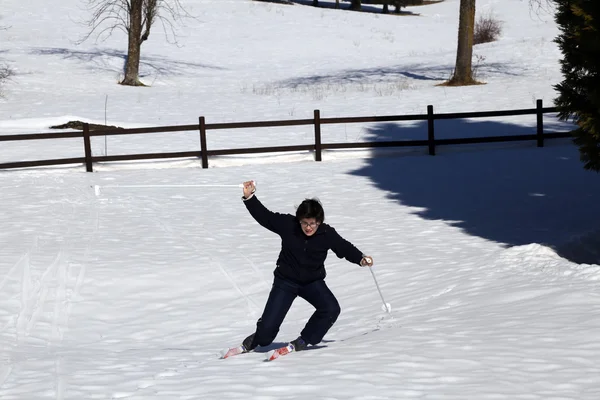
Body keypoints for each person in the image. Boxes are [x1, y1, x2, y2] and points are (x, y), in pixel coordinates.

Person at [238, 180, 374, 353]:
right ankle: (258, 336)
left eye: (313, 223)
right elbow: (265, 217)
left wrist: (360, 258)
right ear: (299, 220)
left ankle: (305, 339)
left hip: (312, 283)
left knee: (331, 309)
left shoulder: (326, 233)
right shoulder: (289, 225)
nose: (308, 227)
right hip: (285, 282)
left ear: (319, 221)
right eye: (304, 223)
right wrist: (249, 197)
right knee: (265, 337)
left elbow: (343, 247)